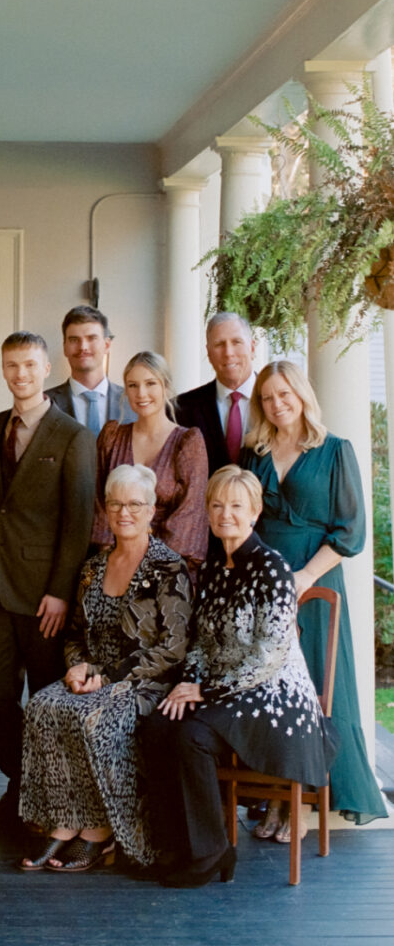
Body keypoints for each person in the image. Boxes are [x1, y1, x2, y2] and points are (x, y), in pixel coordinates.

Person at [141, 466, 338, 887]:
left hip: (275, 696)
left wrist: (205, 689)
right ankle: (178, 844)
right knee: (159, 723)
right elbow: (199, 641)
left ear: (253, 512)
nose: (224, 514)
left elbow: (269, 655)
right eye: (216, 505)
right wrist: (187, 682)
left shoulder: (272, 569)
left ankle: (212, 851)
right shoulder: (214, 567)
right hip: (225, 691)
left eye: (235, 506)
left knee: (191, 736)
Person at [18, 464, 191, 873]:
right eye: (115, 504)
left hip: (146, 682)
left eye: (134, 504)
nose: (124, 512)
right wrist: (77, 667)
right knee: (43, 706)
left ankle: (100, 832)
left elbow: (174, 647)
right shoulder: (93, 567)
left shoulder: (169, 568)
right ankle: (63, 823)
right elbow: (75, 632)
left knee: (96, 718)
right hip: (93, 675)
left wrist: (108, 678)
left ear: (152, 510)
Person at [242, 360, 387, 824]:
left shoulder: (335, 450)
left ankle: (308, 799)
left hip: (315, 580)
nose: (277, 403)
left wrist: (305, 575)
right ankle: (278, 794)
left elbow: (350, 533)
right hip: (263, 580)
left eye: (285, 394)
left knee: (316, 684)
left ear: (302, 396)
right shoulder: (255, 452)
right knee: (270, 685)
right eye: (267, 397)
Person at [0, 332, 96, 833]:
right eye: (11, 366)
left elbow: (79, 518)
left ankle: (49, 801)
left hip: (45, 593)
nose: (19, 375)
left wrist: (62, 590)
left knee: (46, 699)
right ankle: (18, 787)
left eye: (28, 365)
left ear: (47, 368)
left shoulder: (73, 436)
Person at [92, 351, 208, 577]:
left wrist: (145, 568)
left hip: (168, 573)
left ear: (165, 386)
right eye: (133, 385)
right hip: (114, 565)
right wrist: (117, 560)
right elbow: (98, 503)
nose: (141, 393)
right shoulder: (112, 436)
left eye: (150, 383)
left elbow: (190, 513)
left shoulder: (187, 442)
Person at [174, 312, 256, 476]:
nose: (228, 352)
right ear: (209, 353)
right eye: (219, 344)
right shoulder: (182, 408)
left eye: (236, 342)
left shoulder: (277, 402)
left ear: (252, 348)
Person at [46, 305, 135, 434]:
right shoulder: (45, 404)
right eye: (74, 340)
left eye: (92, 338)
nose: (83, 347)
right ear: (65, 347)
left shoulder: (132, 401)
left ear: (107, 345)